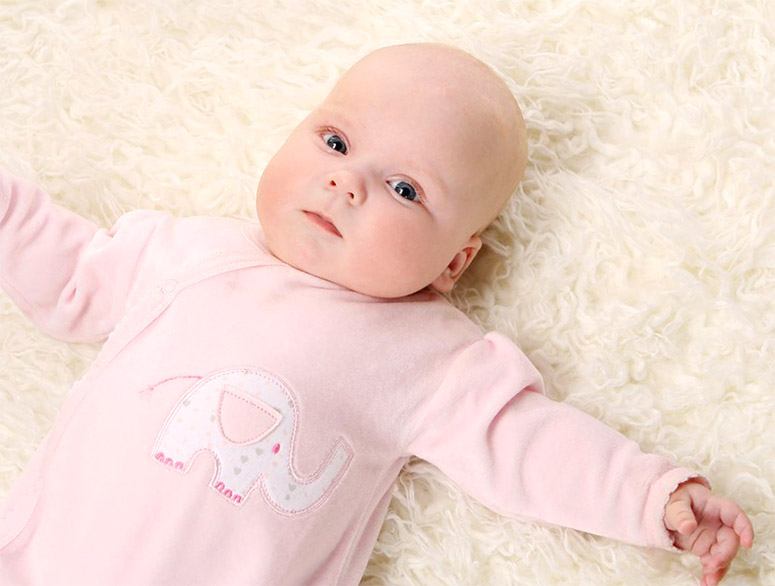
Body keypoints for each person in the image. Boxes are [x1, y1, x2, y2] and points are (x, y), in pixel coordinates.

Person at [0, 42, 753, 586]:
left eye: (404, 189)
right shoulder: (184, 253)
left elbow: (530, 445)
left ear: (454, 261)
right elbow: (68, 273)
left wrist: (653, 498)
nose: (345, 183)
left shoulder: (426, 354)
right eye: (334, 142)